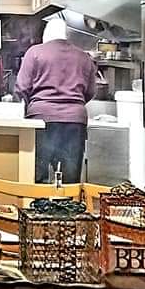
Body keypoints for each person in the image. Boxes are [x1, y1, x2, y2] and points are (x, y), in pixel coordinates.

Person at [15, 17, 98, 183]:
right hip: (74, 121)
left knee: (38, 176)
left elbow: (21, 87)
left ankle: (38, 198)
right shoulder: (83, 57)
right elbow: (90, 91)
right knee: (70, 178)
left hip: (41, 119)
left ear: (46, 35)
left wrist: (34, 106)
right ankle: (69, 198)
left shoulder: (35, 52)